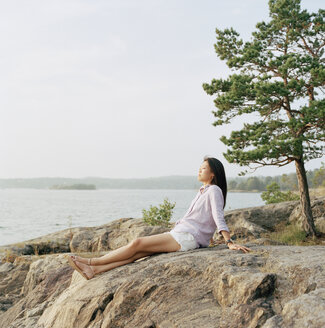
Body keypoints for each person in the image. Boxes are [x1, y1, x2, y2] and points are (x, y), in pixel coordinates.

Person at [66, 156, 252, 280]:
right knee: (139, 254)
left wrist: (229, 241)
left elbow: (218, 216)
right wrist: (209, 238)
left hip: (186, 237)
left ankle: (91, 262)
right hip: (184, 234)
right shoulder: (203, 191)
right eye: (200, 168)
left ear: (213, 173)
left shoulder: (214, 190)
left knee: (137, 243)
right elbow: (205, 218)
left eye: (203, 168)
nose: (199, 171)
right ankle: (95, 271)